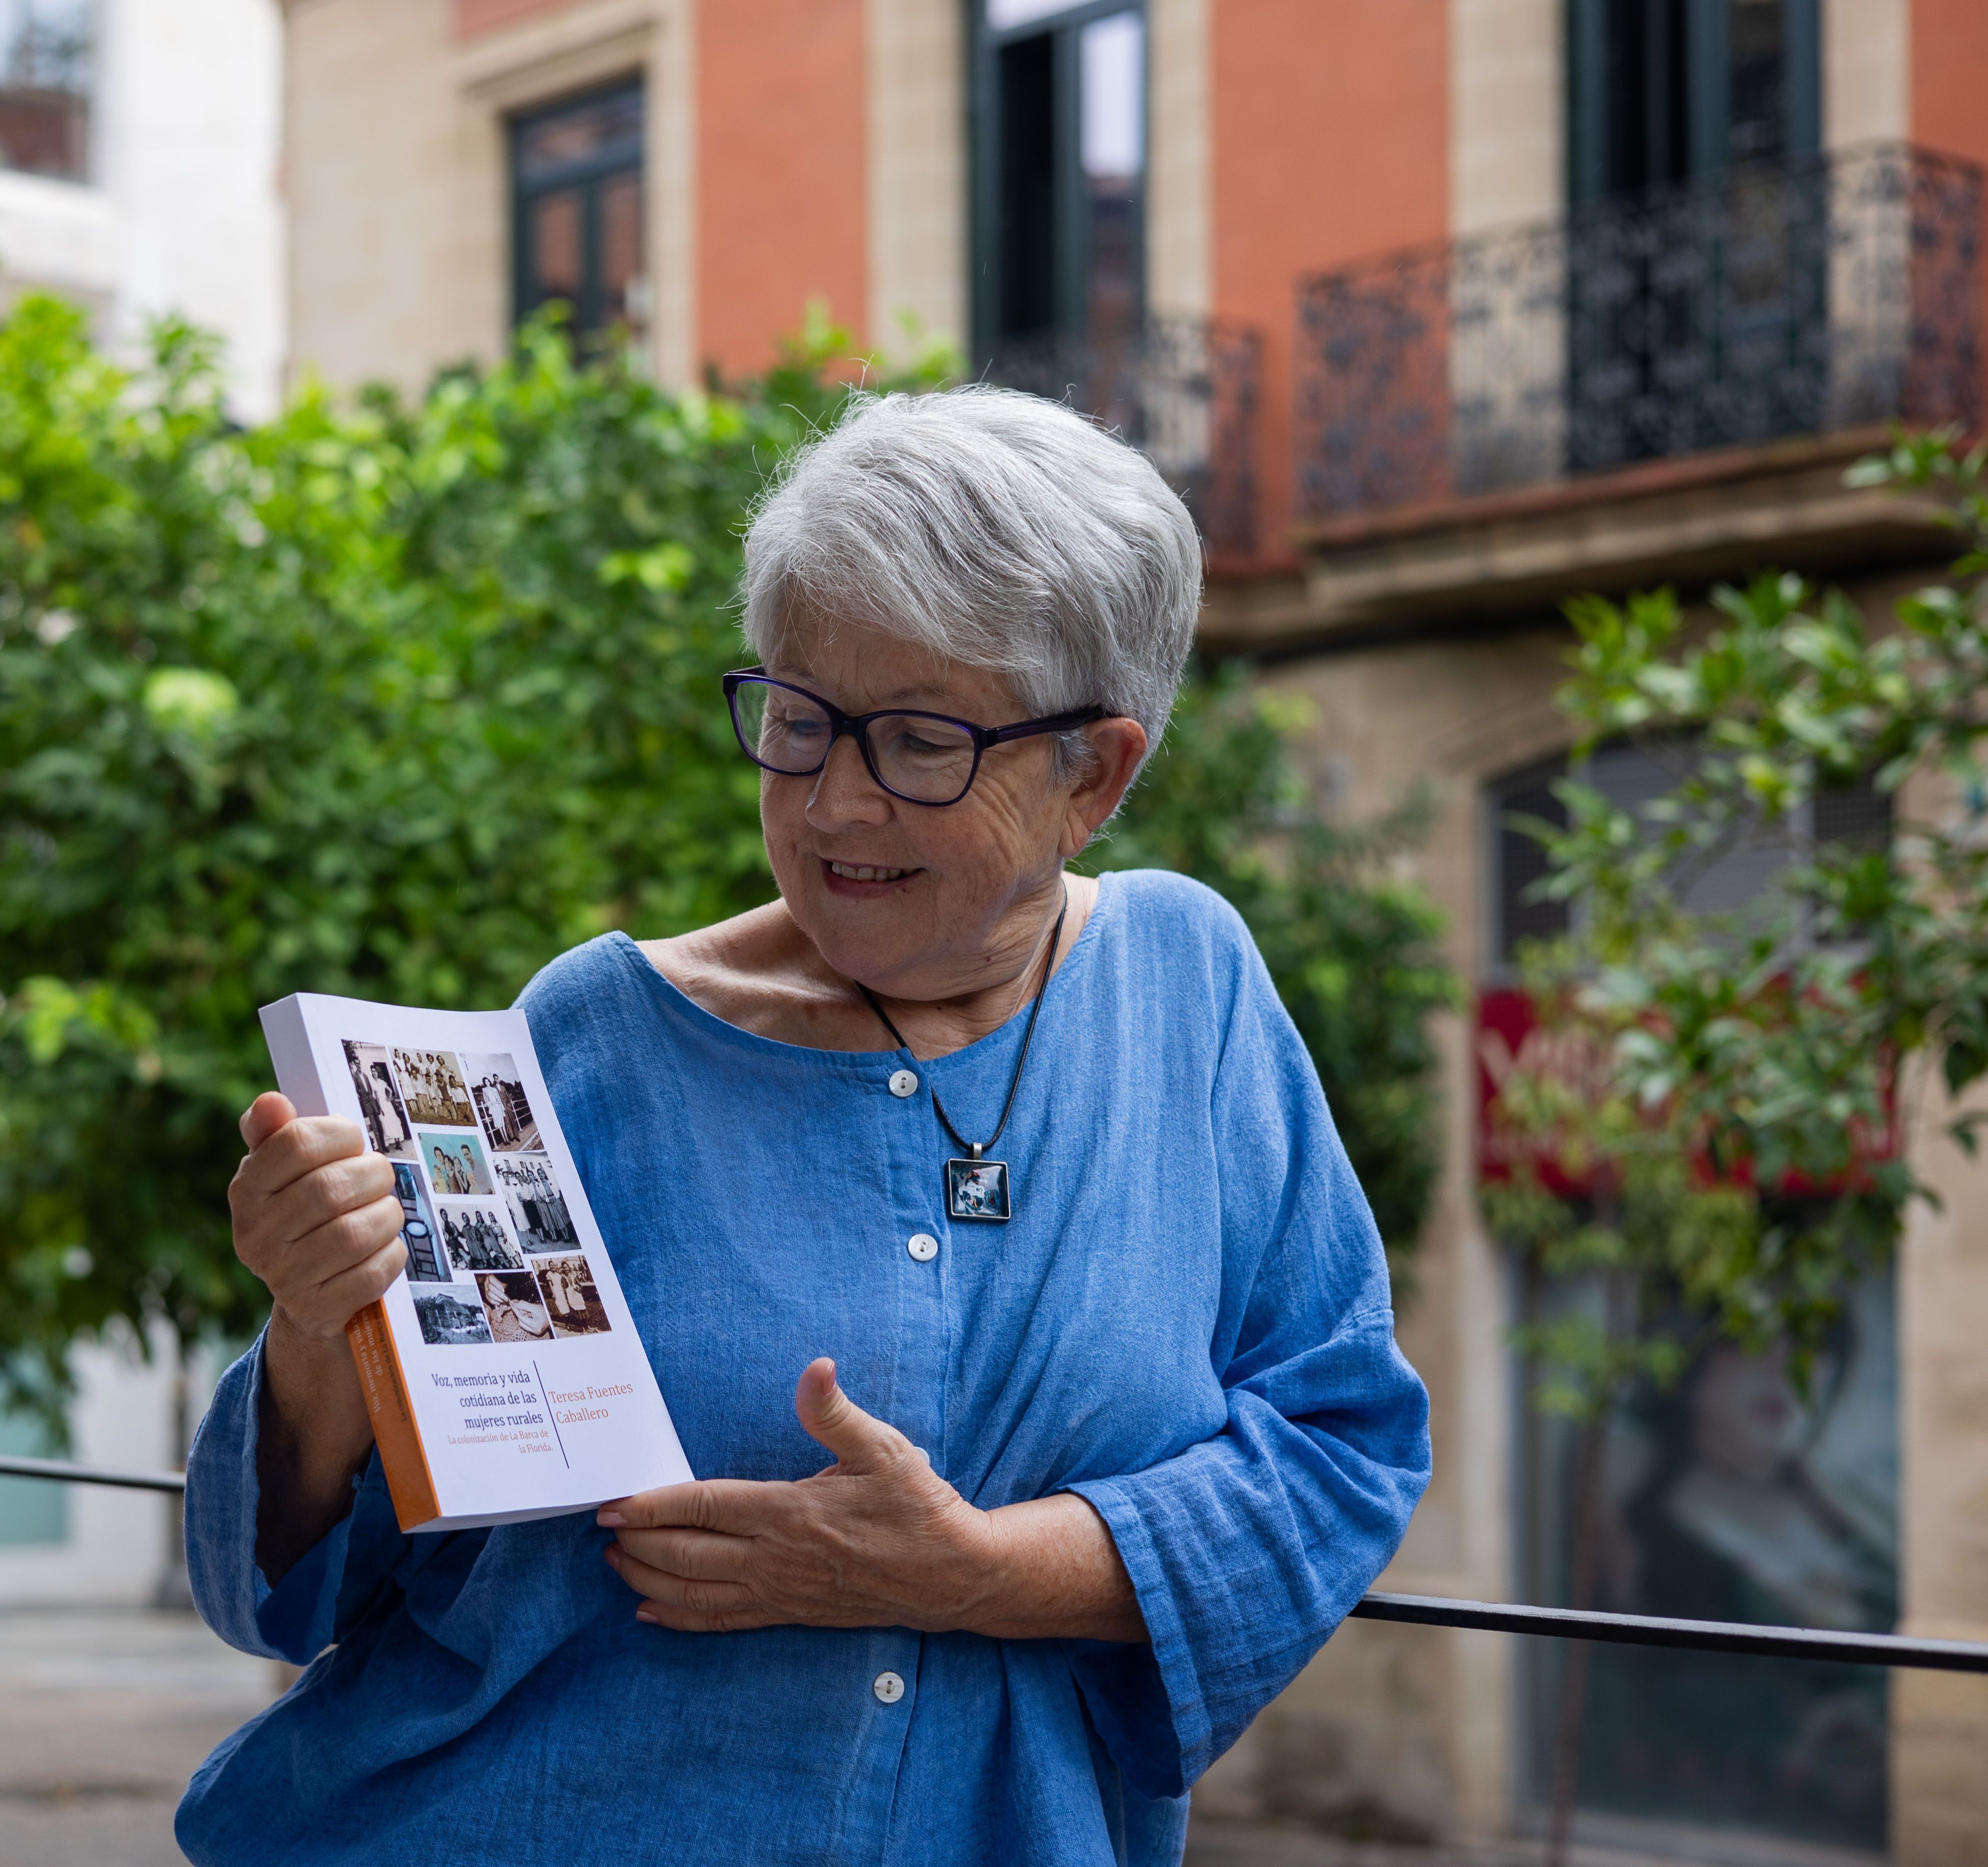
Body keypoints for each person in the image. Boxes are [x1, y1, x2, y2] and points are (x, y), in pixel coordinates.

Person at [178, 387, 1430, 1866]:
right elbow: (300, 1583)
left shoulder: (1189, 990)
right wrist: (321, 1330)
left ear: (1093, 773)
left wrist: (973, 1573)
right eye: (797, 721)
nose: (834, 801)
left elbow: (1339, 1449)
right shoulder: (597, 1035)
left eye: (914, 742)